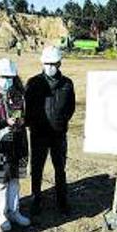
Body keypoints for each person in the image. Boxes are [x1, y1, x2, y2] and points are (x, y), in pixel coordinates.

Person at [25, 46, 76, 217]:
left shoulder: (67, 84)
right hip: (38, 134)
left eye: (53, 63)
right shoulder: (33, 83)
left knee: (60, 168)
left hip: (58, 134)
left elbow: (71, 108)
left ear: (60, 63)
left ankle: (62, 202)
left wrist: (61, 122)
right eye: (47, 63)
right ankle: (35, 201)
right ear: (42, 63)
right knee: (37, 169)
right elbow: (28, 108)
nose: (50, 67)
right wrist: (33, 124)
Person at [0, 58, 30, 232]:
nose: (8, 80)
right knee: (1, 181)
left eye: (10, 76)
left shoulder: (19, 95)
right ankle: (2, 215)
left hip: (18, 144)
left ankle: (14, 211)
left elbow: (25, 117)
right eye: (4, 76)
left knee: (15, 179)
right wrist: (4, 122)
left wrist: (23, 120)